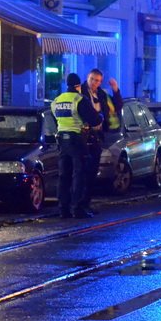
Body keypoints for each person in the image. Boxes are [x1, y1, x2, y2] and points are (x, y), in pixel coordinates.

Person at [51, 73, 102, 219]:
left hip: (62, 140)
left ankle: (63, 209)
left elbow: (57, 121)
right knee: (79, 174)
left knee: (64, 175)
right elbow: (94, 119)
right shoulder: (79, 99)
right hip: (77, 139)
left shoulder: (56, 101)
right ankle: (78, 208)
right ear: (78, 86)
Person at [80, 68, 124, 214]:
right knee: (83, 172)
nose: (94, 83)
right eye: (92, 79)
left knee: (92, 172)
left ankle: (86, 203)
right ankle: (79, 204)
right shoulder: (80, 92)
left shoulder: (102, 94)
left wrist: (115, 90)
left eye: (97, 81)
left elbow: (117, 107)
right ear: (87, 77)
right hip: (83, 136)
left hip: (97, 136)